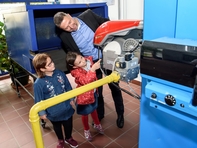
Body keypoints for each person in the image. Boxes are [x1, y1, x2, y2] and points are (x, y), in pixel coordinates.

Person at [53, 9, 124, 128]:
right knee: (97, 91)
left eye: (70, 22)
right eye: (67, 27)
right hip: (90, 64)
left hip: (107, 57)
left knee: (115, 87)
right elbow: (72, 53)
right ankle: (100, 115)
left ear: (69, 15)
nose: (71, 27)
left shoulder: (88, 15)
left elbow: (107, 24)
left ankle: (120, 114)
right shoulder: (64, 37)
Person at [32, 53, 78, 148]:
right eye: (49, 64)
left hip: (66, 107)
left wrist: (71, 98)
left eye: (51, 62)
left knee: (68, 124)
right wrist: (42, 113)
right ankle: (60, 140)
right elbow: (38, 99)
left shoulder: (60, 73)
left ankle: (68, 138)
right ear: (42, 69)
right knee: (57, 126)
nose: (52, 64)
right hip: (53, 111)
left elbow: (68, 86)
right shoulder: (38, 83)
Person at [66, 51, 104, 141]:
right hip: (84, 96)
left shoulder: (88, 60)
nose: (83, 61)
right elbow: (85, 80)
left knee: (94, 109)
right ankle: (86, 130)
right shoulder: (76, 72)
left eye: (81, 58)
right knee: (85, 113)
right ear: (75, 66)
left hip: (93, 92)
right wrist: (92, 69)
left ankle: (97, 124)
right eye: (79, 62)